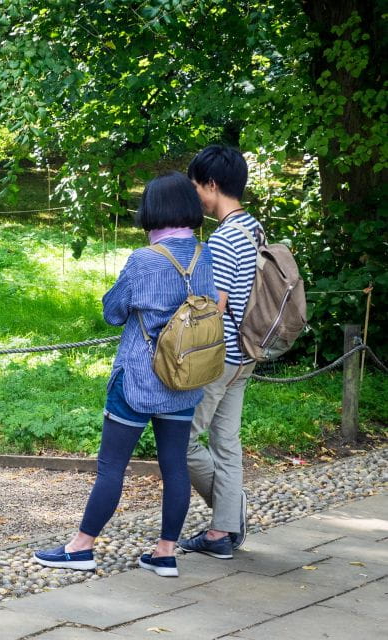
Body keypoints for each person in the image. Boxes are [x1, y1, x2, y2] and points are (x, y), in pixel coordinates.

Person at [33, 172, 217, 578]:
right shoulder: (206, 257)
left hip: (137, 378)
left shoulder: (144, 259)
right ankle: (165, 552)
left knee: (112, 466)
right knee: (175, 467)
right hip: (185, 380)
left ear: (152, 210)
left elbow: (113, 312)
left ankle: (81, 548)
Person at [178, 145, 263, 559]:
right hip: (246, 353)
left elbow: (218, 305)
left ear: (211, 184)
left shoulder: (226, 238)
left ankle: (231, 516)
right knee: (226, 444)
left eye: (196, 186)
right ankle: (221, 534)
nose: (195, 195)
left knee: (184, 441)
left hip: (221, 357)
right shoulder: (253, 228)